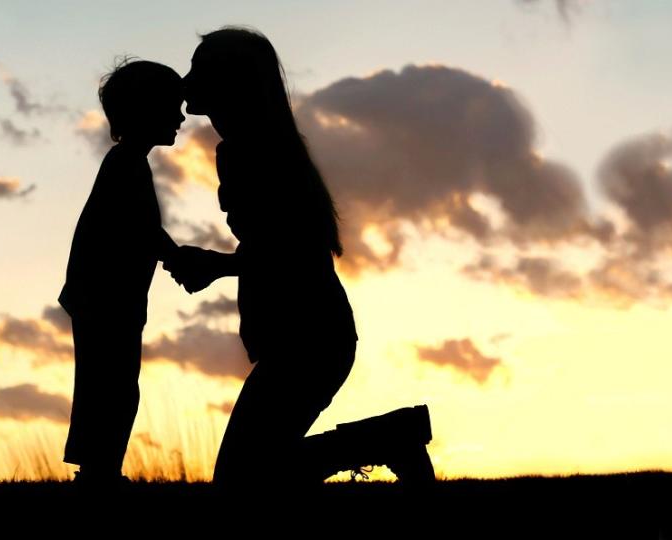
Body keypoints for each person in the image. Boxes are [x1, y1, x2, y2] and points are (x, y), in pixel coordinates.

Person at [165, 27, 435, 490]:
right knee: (254, 473)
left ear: (230, 80)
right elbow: (277, 246)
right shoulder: (253, 146)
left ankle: (390, 439)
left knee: (242, 480)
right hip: (304, 336)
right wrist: (221, 264)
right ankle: (389, 438)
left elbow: (287, 250)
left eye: (199, 69)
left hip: (307, 338)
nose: (187, 80)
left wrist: (217, 264)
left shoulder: (253, 151)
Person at [58, 59, 184, 487]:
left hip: (109, 295)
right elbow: (142, 229)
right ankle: (98, 472)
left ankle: (98, 469)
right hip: (105, 296)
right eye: (173, 107)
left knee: (110, 384)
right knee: (110, 386)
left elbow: (143, 231)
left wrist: (174, 255)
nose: (181, 116)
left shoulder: (128, 161)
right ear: (146, 110)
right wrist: (180, 257)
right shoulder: (126, 163)